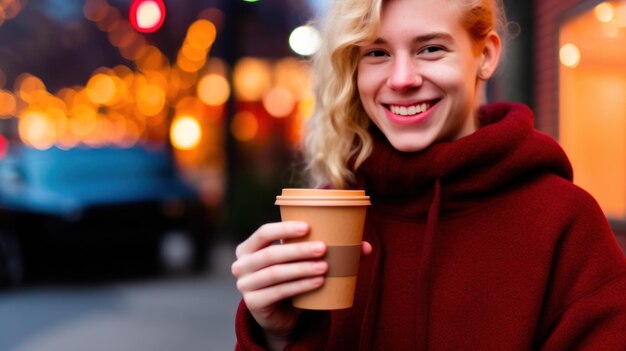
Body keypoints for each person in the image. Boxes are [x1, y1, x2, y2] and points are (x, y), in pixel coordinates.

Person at [231, 0, 626, 349]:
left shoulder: (564, 220)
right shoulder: (335, 212)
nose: (402, 79)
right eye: (376, 53)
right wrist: (274, 336)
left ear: (486, 55)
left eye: (431, 49)